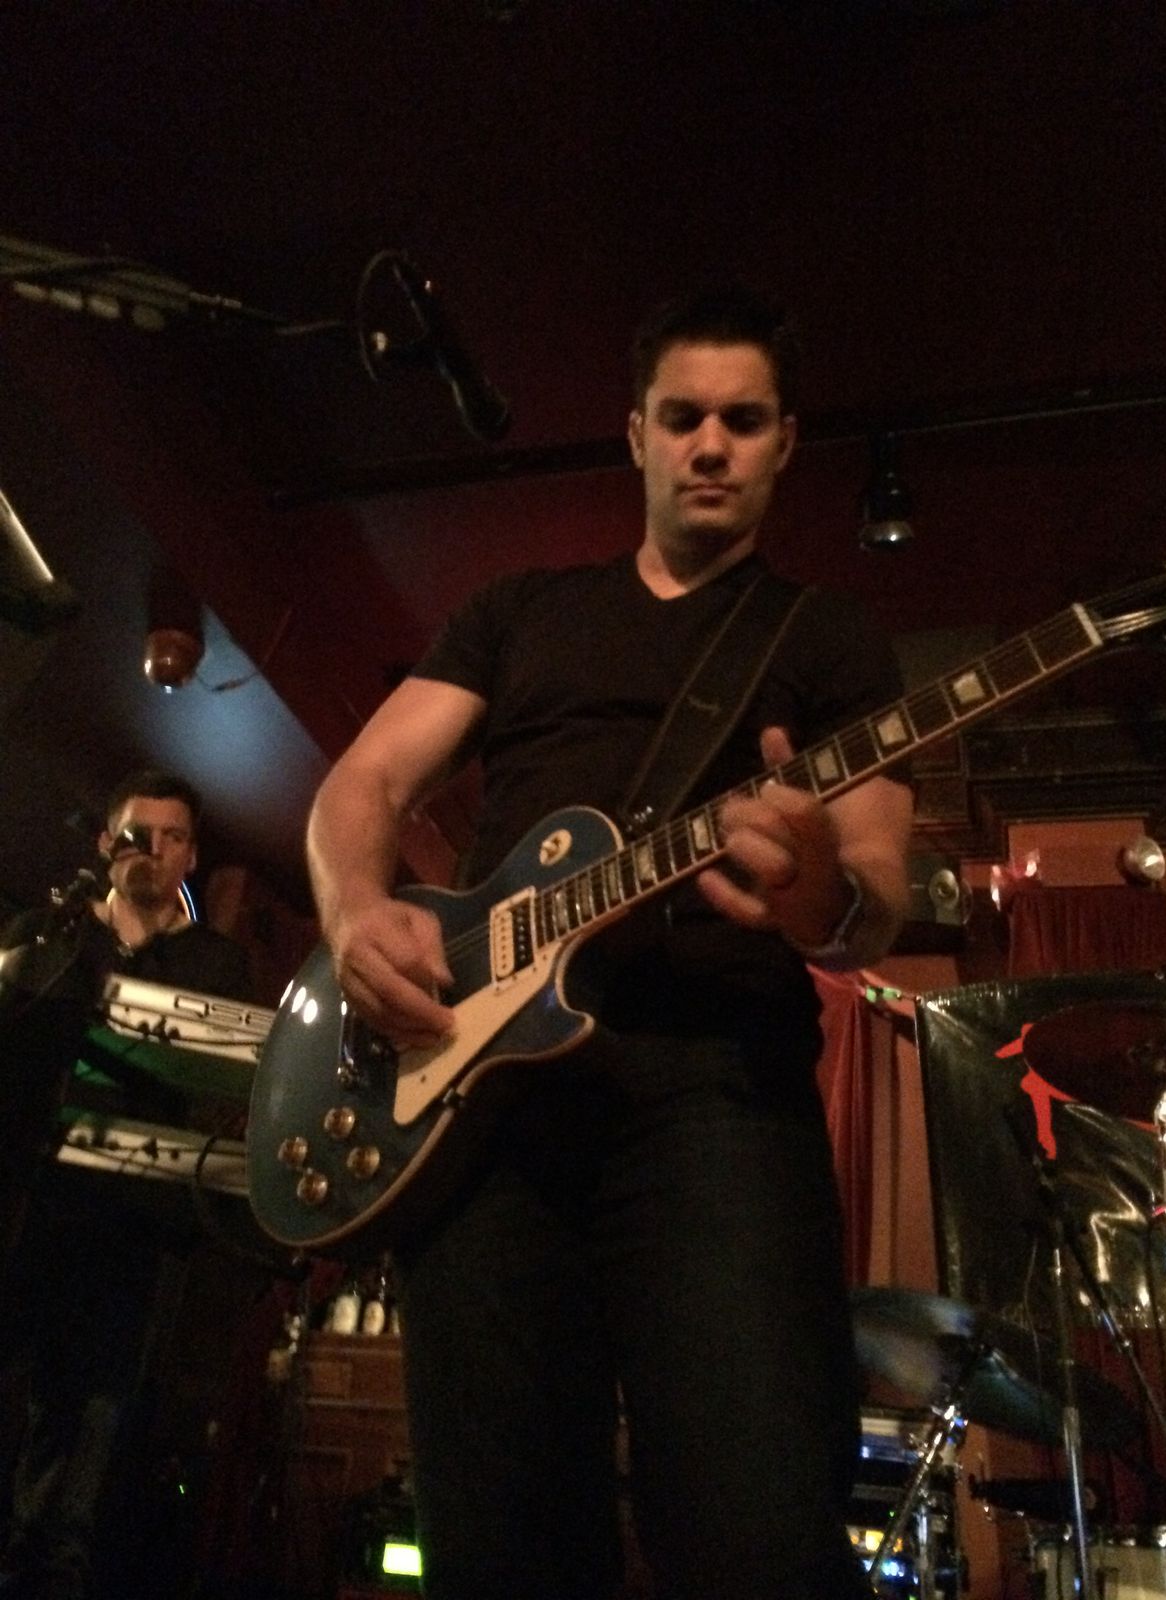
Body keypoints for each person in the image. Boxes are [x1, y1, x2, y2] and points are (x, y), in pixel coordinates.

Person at [305, 286, 914, 1599]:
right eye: (683, 417)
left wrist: (816, 896)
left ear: (785, 443)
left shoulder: (827, 638)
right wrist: (355, 909)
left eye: (742, 420)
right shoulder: (517, 610)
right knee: (497, 1543)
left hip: (718, 1094)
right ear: (636, 434)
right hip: (486, 1106)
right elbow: (364, 782)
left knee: (758, 1531)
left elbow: (876, 895)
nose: (711, 445)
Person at [0, 768, 252, 1600]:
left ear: (192, 856)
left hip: (134, 1223)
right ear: (109, 843)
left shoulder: (216, 963)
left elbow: (224, 1090)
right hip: (29, 1202)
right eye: (141, 834)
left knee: (93, 1412)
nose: (156, 850)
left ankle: (50, 1570)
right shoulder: (53, 932)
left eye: (175, 838)